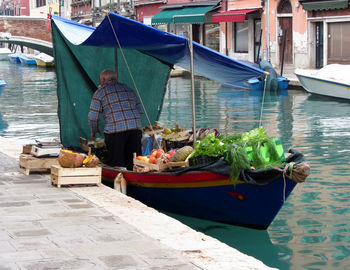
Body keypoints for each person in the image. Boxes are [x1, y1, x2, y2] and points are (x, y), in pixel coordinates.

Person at [88, 69, 143, 170]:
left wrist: (94, 130)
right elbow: (139, 111)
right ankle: (136, 181)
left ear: (103, 79)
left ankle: (119, 181)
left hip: (115, 132)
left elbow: (93, 117)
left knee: (118, 163)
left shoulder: (100, 92)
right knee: (135, 163)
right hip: (135, 129)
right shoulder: (127, 88)